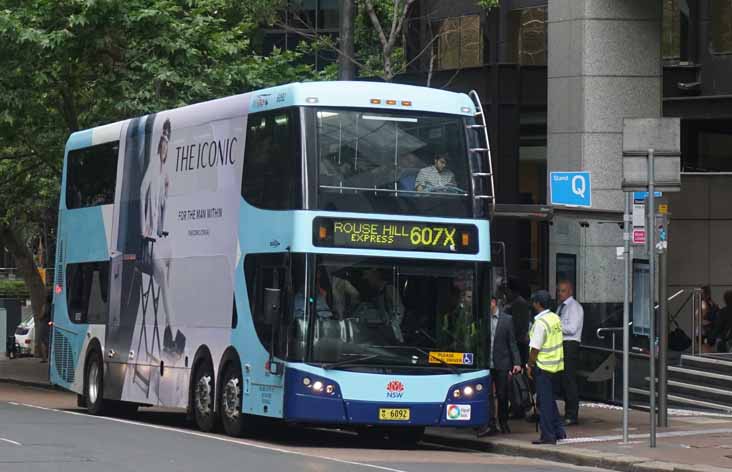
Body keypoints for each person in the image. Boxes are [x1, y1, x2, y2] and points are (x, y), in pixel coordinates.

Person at [140, 118, 184, 356]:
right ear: (160, 145)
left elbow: (164, 207)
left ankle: (169, 334)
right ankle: (173, 335)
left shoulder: (165, 170)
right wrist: (142, 228)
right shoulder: (154, 163)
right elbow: (141, 190)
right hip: (152, 241)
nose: (166, 147)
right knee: (165, 287)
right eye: (164, 141)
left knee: (171, 283)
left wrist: (167, 191)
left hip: (163, 238)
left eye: (169, 141)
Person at [477, 296, 522, 437]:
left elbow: (512, 342)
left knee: (502, 394)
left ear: (493, 302)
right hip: (486, 363)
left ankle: (503, 422)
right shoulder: (482, 318)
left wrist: (517, 363)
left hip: (502, 362)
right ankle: (490, 424)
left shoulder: (507, 320)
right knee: (488, 395)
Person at [526, 290, 566, 445]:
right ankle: (558, 431)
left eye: (534, 301)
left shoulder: (540, 324)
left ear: (537, 304)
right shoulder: (555, 318)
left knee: (545, 403)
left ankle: (548, 435)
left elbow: (535, 349)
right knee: (548, 400)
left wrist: (529, 365)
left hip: (543, 367)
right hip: (556, 366)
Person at [557, 279, 583, 426]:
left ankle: (572, 414)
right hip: (561, 345)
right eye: (559, 290)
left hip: (570, 345)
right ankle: (567, 412)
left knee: (569, 381)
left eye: (563, 290)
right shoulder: (561, 307)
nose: (560, 293)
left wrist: (556, 325)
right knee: (563, 380)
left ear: (570, 291)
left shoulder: (574, 307)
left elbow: (572, 328)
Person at [363, 268, 404, 342]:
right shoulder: (377, 292)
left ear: (376, 275)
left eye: (369, 277)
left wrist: (393, 325)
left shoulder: (389, 289)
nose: (368, 281)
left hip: (393, 335)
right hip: (382, 333)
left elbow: (400, 309)